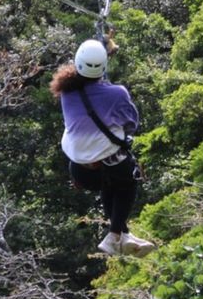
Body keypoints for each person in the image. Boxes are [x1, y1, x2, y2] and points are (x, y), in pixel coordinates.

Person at [50, 39, 155, 257]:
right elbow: (131, 124)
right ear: (104, 67)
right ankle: (115, 234)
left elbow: (84, 80)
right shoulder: (117, 94)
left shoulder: (67, 93)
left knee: (109, 185)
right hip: (113, 165)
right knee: (128, 182)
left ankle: (124, 236)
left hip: (80, 170)